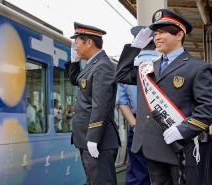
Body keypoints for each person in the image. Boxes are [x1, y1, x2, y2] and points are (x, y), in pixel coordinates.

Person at [116, 9, 212, 185]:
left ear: (179, 34)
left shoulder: (197, 68)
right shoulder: (148, 67)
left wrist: (182, 130)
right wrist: (135, 47)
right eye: (155, 33)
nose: (157, 37)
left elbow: (207, 109)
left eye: (163, 32)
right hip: (152, 147)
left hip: (180, 148)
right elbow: (121, 75)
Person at [65, 22, 121, 185]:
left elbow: (100, 105)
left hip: (99, 141)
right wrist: (74, 62)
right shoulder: (94, 65)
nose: (75, 48)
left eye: (77, 44)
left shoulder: (102, 67)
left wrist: (93, 138)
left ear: (89, 42)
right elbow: (77, 81)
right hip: (89, 139)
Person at [116, 26, 160, 185]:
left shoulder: (127, 68)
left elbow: (122, 102)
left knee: (137, 169)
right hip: (162, 122)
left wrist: (134, 125)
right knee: (162, 170)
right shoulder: (164, 62)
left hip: (137, 123)